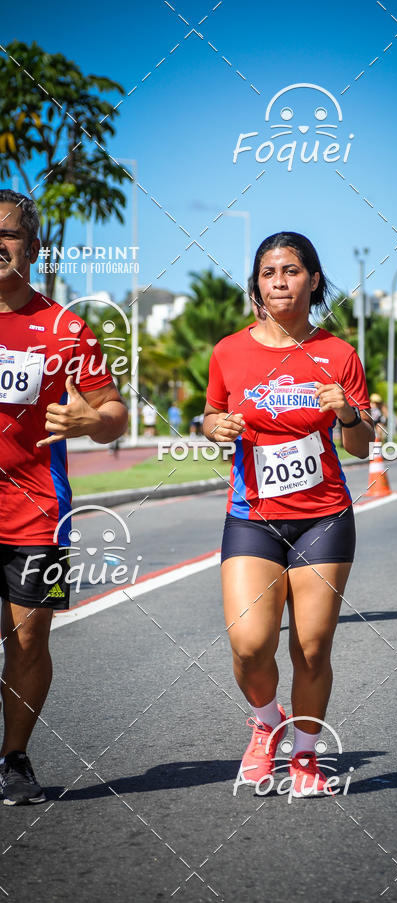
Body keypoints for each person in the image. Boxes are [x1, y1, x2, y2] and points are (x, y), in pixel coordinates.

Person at [203, 232, 373, 796]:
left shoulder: (338, 355)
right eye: (269, 272)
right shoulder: (229, 351)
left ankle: (304, 756)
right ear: (257, 283)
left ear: (313, 280)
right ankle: (266, 720)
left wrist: (348, 413)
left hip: (323, 515)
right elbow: (211, 413)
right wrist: (213, 426)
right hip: (253, 515)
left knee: (312, 646)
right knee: (251, 643)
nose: (280, 280)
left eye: (291, 270)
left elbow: (363, 447)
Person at [0, 190, 128, 803]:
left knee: (29, 638)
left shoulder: (66, 329)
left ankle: (14, 758)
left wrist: (91, 423)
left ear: (33, 247)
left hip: (37, 513)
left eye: (7, 235)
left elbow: (114, 413)